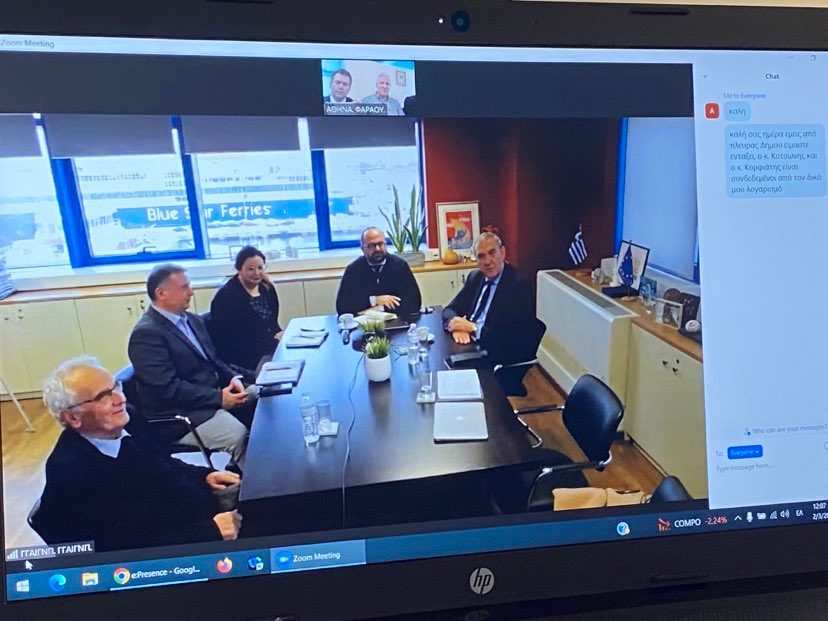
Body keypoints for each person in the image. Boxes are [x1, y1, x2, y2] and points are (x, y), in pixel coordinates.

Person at [33, 357, 242, 552]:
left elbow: (163, 462)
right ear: (73, 418)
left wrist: (204, 476)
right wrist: (209, 531)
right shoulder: (72, 472)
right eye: (102, 397)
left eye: (115, 386)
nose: (119, 399)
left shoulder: (128, 419)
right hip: (176, 546)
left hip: (191, 512)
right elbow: (126, 546)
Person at [127, 264, 252, 467]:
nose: (191, 292)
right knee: (237, 433)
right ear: (161, 293)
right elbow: (167, 389)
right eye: (184, 287)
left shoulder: (192, 320)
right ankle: (252, 483)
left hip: (209, 396)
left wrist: (234, 378)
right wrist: (218, 398)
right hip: (180, 415)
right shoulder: (147, 334)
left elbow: (214, 360)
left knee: (262, 397)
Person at [442, 231, 536, 365]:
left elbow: (510, 340)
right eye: (481, 256)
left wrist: (473, 328)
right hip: (469, 345)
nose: (487, 261)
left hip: (496, 356)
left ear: (502, 253)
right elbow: (449, 310)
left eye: (492, 253)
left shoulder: (518, 286)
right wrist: (456, 326)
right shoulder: (475, 277)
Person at [209, 246, 283, 371]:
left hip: (269, 348)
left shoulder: (266, 288)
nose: (257, 273)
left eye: (260, 268)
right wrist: (273, 342)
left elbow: (273, 324)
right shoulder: (226, 297)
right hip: (244, 358)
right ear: (239, 269)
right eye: (251, 269)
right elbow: (236, 339)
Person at [336, 227, 422, 318]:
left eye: (381, 244)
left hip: (397, 321)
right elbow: (342, 307)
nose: (377, 249)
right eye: (371, 246)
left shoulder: (399, 266)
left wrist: (381, 308)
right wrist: (374, 300)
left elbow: (415, 302)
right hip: (364, 323)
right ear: (362, 249)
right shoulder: (353, 270)